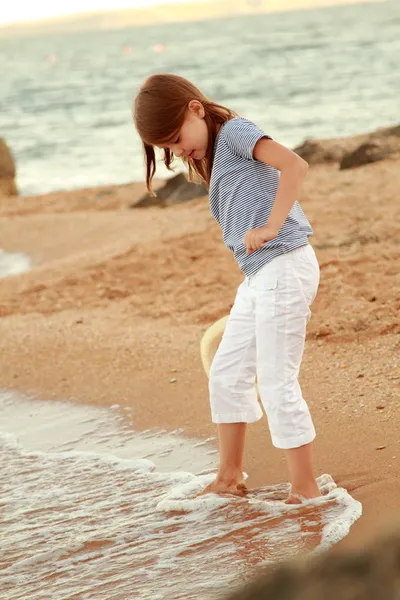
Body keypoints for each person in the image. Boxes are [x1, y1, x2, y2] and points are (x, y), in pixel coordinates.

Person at [133, 73, 321, 504]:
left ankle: (306, 490)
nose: (178, 151)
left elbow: (295, 164)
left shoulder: (235, 132)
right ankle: (229, 477)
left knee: (276, 381)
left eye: (177, 138)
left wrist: (272, 225)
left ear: (196, 108)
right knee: (227, 374)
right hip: (260, 275)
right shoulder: (216, 155)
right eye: (169, 148)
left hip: (285, 263)